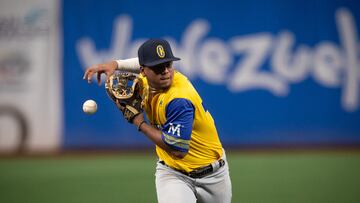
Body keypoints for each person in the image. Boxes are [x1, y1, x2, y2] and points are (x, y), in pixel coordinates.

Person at [83, 38, 232, 203]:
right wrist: (115, 64)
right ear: (143, 71)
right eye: (158, 67)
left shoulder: (179, 98)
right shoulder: (144, 81)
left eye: (168, 65)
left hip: (213, 175)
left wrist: (139, 122)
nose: (165, 71)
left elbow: (178, 149)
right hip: (173, 174)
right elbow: (140, 63)